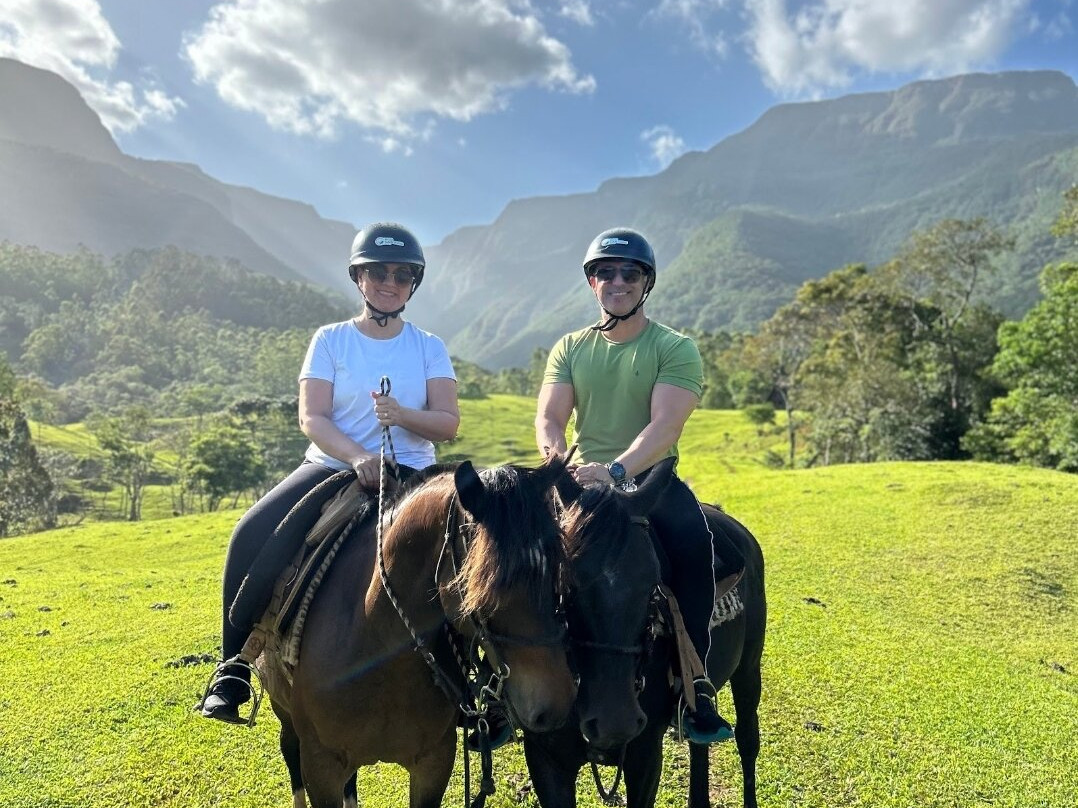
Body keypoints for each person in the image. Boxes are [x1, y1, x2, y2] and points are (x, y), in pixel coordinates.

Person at [198, 222, 459, 724]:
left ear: (413, 283)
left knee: (472, 556)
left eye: (402, 275)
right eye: (378, 272)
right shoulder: (331, 340)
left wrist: (403, 415)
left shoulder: (428, 346)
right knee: (250, 532)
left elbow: (448, 423)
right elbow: (312, 417)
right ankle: (232, 670)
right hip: (333, 466)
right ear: (359, 278)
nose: (390, 282)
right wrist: (358, 457)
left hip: (413, 474)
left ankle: (482, 689)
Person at [534, 226, 745, 744]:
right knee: (515, 558)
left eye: (630, 273)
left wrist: (615, 472)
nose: (618, 281)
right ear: (592, 282)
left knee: (693, 549)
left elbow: (664, 427)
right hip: (578, 483)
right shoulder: (570, 347)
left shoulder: (674, 347)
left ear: (646, 282)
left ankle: (696, 686)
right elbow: (550, 419)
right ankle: (504, 688)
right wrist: (559, 465)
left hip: (650, 482)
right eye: (605, 272)